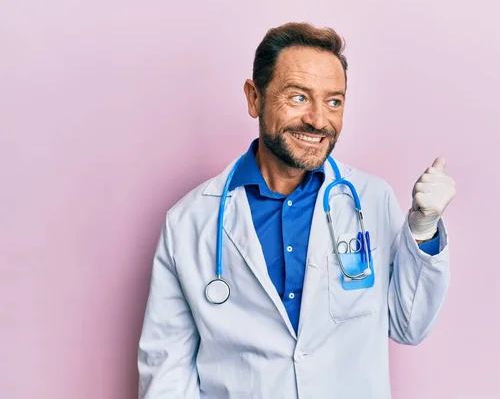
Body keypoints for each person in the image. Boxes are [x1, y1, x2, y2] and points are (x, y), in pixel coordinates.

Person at [138, 22, 456, 399]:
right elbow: (166, 371)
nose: (319, 120)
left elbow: (409, 326)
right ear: (254, 98)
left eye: (334, 101)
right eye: (299, 97)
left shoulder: (370, 199)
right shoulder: (189, 223)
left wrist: (423, 227)